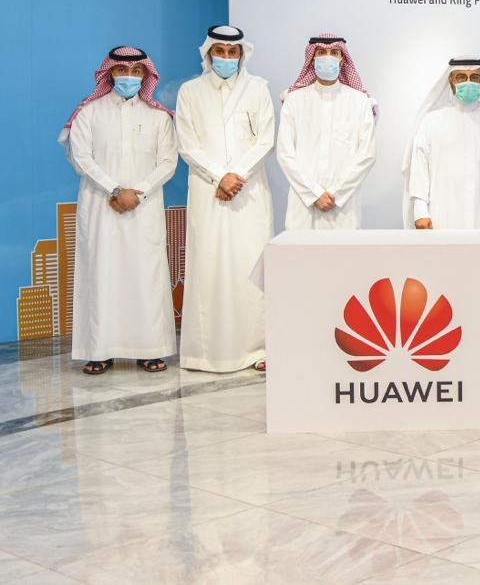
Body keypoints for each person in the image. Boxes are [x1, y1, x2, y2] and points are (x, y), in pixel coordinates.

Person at [62, 46, 178, 375]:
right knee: (102, 275)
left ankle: (150, 349)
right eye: (122, 70)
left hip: (144, 206)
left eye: (136, 71)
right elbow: (81, 158)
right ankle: (99, 350)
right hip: (101, 206)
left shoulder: (158, 116)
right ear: (110, 72)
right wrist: (114, 188)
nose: (129, 77)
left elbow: (168, 161)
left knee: (145, 276)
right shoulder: (89, 113)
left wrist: (137, 192)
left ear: (146, 75)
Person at [175, 25, 275, 373]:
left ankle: (258, 348)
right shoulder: (190, 91)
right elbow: (187, 144)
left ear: (242, 55)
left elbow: (266, 140)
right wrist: (220, 176)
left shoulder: (258, 89)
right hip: (209, 192)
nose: (227, 58)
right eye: (220, 51)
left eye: (233, 52)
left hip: (249, 192)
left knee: (251, 268)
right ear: (209, 54)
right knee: (210, 266)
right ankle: (206, 352)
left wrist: (237, 175)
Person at [276, 33, 377, 230]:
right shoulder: (294, 101)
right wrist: (313, 194)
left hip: (343, 206)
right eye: (321, 52)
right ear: (312, 58)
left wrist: (337, 193)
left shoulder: (359, 102)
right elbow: (285, 154)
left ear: (342, 59)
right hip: (303, 204)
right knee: (300, 250)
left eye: (334, 53)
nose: (328, 57)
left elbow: (367, 155)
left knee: (343, 251)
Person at [404, 57, 480, 229]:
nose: (468, 82)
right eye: (461, 77)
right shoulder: (431, 121)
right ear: (451, 81)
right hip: (442, 215)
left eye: (475, 77)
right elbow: (420, 168)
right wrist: (420, 211)